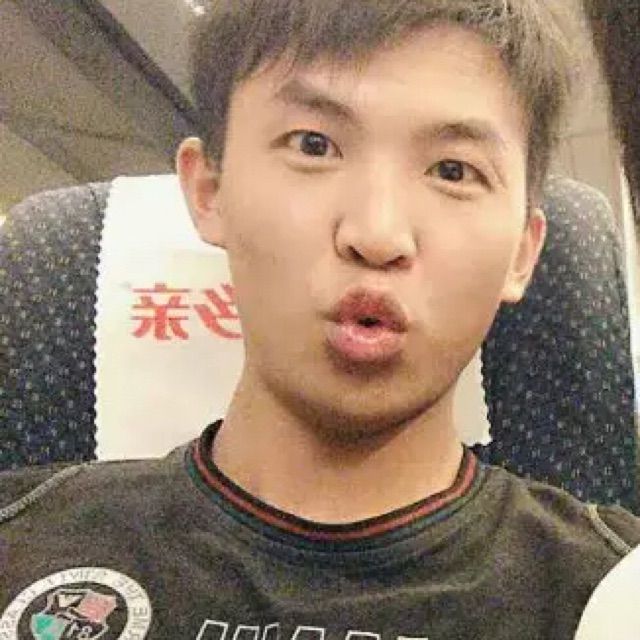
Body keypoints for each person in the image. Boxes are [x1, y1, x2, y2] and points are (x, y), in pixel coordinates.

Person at [2, 1, 639, 638]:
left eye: (453, 171)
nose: (377, 234)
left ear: (523, 253)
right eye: (314, 145)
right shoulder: (21, 544)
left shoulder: (616, 596)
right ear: (209, 191)